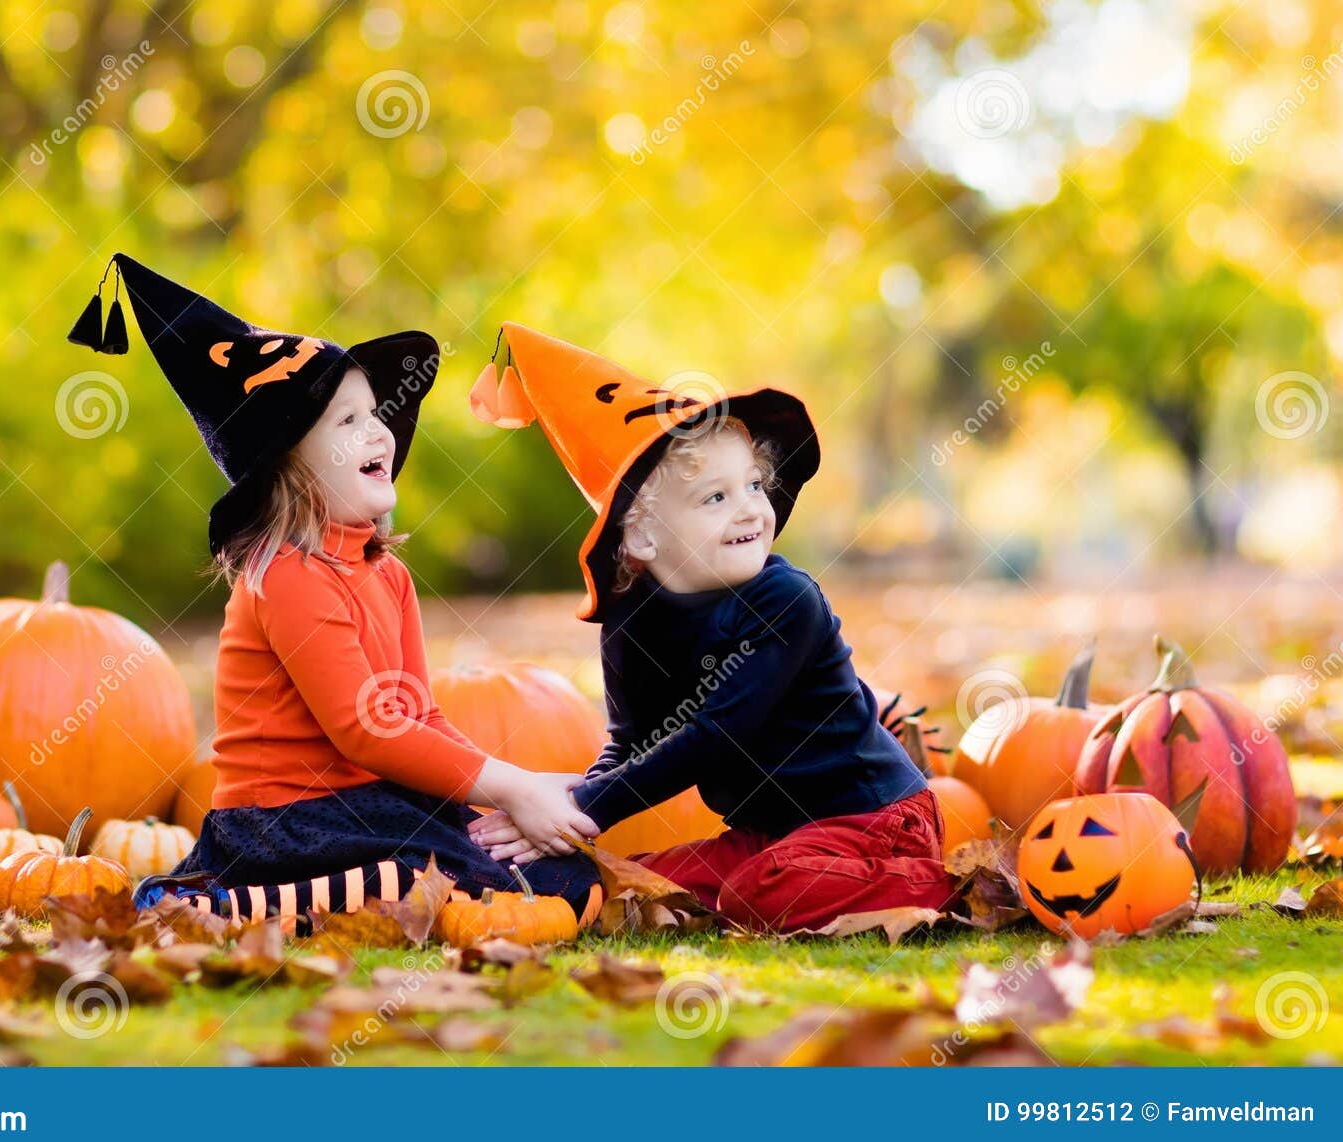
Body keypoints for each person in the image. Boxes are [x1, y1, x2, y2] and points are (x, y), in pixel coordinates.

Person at [66, 259, 602, 930]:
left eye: (373, 413)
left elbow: (417, 715)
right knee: (430, 878)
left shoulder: (388, 575)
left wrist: (502, 800)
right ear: (287, 466)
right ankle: (221, 903)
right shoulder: (286, 574)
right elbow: (366, 730)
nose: (379, 431)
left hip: (374, 807)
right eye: (347, 421)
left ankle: (397, 890)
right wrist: (514, 784)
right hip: (282, 827)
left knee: (563, 881)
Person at [465, 323, 954, 933]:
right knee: (639, 889)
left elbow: (713, 733)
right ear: (642, 536)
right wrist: (564, 818)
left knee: (765, 890)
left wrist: (586, 808)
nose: (750, 506)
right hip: (769, 836)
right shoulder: (631, 620)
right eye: (714, 498)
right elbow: (631, 743)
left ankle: (946, 887)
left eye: (753, 484)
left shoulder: (785, 599)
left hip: (872, 820)